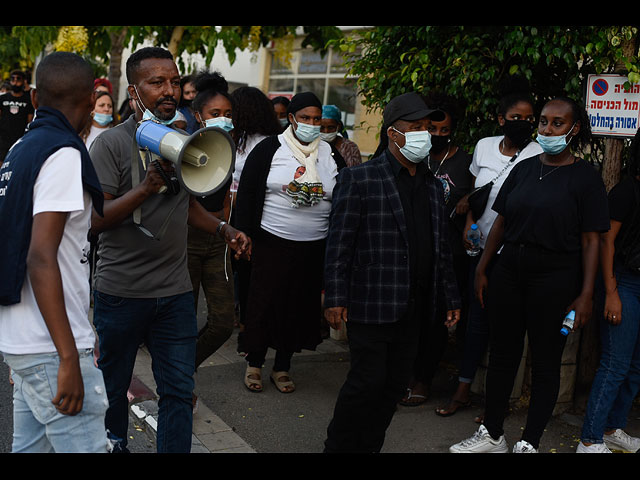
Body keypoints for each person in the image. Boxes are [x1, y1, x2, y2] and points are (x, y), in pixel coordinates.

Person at [88, 47, 251, 453]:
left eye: (174, 81)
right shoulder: (109, 144)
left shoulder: (184, 138)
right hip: (121, 293)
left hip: (175, 295)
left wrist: (223, 228)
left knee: (178, 392)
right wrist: (144, 189)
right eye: (156, 82)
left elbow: (188, 205)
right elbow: (97, 218)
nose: (169, 90)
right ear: (134, 89)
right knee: (113, 393)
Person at [450, 96, 610, 453]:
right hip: (509, 270)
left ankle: (529, 442)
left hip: (555, 277)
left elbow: (591, 241)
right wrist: (484, 268)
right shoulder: (524, 168)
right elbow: (501, 222)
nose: (547, 129)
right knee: (503, 354)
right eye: (543, 122)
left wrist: (586, 294)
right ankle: (492, 434)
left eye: (557, 123)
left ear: (574, 129)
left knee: (545, 360)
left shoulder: (586, 178)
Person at [323, 92, 461, 453]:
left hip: (415, 306)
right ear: (392, 133)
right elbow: (339, 243)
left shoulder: (432, 185)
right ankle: (336, 448)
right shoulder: (360, 179)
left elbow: (440, 246)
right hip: (372, 300)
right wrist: (335, 297)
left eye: (426, 128)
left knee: (393, 387)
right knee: (365, 383)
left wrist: (450, 296)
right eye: (414, 128)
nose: (423, 135)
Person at [0, 51, 109, 453]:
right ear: (88, 101)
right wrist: (67, 357)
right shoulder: (62, 153)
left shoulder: (22, 146)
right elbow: (40, 254)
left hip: (21, 337)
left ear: (33, 99)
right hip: (51, 344)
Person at [435, 78, 542, 418]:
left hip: (514, 254)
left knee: (506, 329)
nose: (522, 123)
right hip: (480, 251)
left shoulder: (539, 153)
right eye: (515, 117)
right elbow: (474, 197)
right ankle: (463, 390)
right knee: (475, 323)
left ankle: (498, 402)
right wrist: (468, 228)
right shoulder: (483, 147)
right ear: (500, 119)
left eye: (529, 118)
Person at [235, 91, 346, 393]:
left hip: (313, 245)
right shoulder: (270, 149)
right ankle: (254, 363)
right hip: (272, 241)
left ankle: (282, 366)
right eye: (305, 118)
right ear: (292, 118)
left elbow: (344, 197)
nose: (311, 125)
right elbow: (246, 194)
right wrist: (242, 234)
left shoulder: (330, 154)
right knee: (263, 304)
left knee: (296, 307)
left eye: (316, 120)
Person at [399, 92, 473, 407]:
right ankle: (401, 376)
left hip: (449, 253)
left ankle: (423, 379)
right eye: (432, 130)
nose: (438, 136)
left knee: (437, 322)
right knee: (408, 316)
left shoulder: (466, 162)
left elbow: (476, 201)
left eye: (445, 131)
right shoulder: (414, 156)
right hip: (413, 251)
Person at [577, 128, 640, 454]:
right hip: (623, 283)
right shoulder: (627, 191)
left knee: (635, 366)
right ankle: (589, 440)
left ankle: (613, 428)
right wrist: (611, 291)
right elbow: (606, 241)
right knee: (615, 364)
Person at [187, 70, 236, 407]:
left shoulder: (228, 146)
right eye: (215, 114)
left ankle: (181, 368)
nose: (223, 120)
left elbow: (226, 193)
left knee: (223, 322)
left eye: (228, 114)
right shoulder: (184, 146)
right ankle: (179, 383)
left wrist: (227, 226)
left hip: (218, 243)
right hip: (187, 241)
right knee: (183, 320)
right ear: (198, 116)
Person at [229, 86, 284, 353]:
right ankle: (245, 323)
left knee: (249, 273)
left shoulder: (265, 142)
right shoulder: (233, 137)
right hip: (233, 213)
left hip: (250, 215)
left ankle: (250, 330)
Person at [0, 69, 34, 165]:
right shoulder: (2, 99)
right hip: (3, 139)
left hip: (19, 140)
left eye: (18, 79)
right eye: (13, 79)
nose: (15, 82)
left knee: (15, 165)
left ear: (24, 81)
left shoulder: (28, 101)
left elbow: (29, 122)